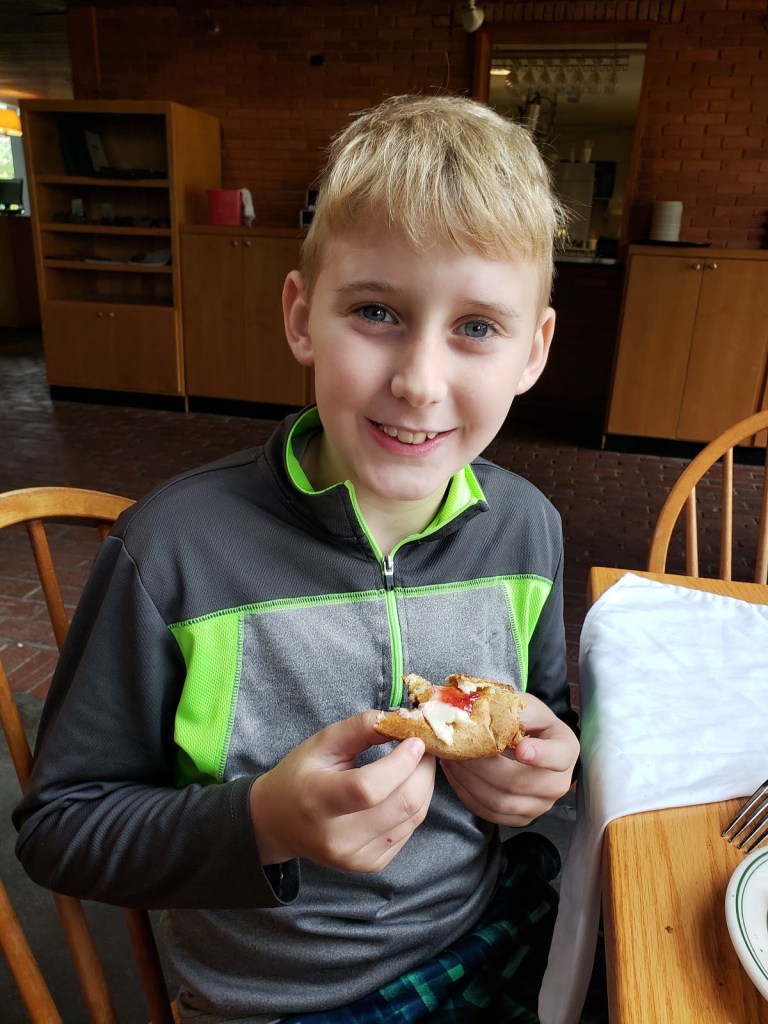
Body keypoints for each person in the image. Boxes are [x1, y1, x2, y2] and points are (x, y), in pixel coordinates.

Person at [14, 94, 597, 1023]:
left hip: (489, 936)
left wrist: (548, 769)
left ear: (534, 351)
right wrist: (264, 821)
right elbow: (62, 831)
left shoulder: (526, 529)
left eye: (476, 328)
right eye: (375, 311)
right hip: (277, 1001)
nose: (418, 381)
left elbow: (549, 724)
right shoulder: (174, 554)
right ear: (301, 317)